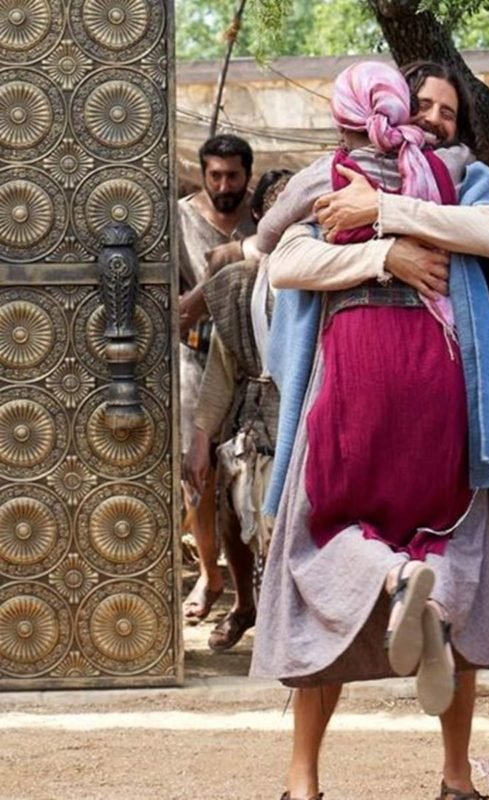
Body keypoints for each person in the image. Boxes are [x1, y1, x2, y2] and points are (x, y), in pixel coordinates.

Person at [252, 61, 489, 800]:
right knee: (460, 553)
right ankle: (447, 748)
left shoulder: (374, 172)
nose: (438, 118)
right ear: (399, 108)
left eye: (450, 110)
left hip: (366, 392)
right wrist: (386, 249)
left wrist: (378, 213)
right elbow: (284, 257)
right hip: (448, 399)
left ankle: (308, 780)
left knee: (319, 546)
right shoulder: (445, 173)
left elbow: (272, 249)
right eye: (425, 104)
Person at [182, 171, 292, 651]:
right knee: (234, 510)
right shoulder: (238, 281)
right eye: (279, 209)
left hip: (306, 415)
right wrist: (201, 441)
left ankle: (290, 621)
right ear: (263, 218)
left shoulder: (331, 271)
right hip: (252, 408)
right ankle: (245, 605)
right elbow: (221, 371)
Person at [178, 134, 256, 624]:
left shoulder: (264, 218)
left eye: (232, 175)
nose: (223, 184)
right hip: (195, 358)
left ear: (248, 174)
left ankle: (252, 595)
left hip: (250, 363)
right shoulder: (182, 217)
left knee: (245, 478)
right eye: (215, 175)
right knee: (198, 476)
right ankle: (210, 575)